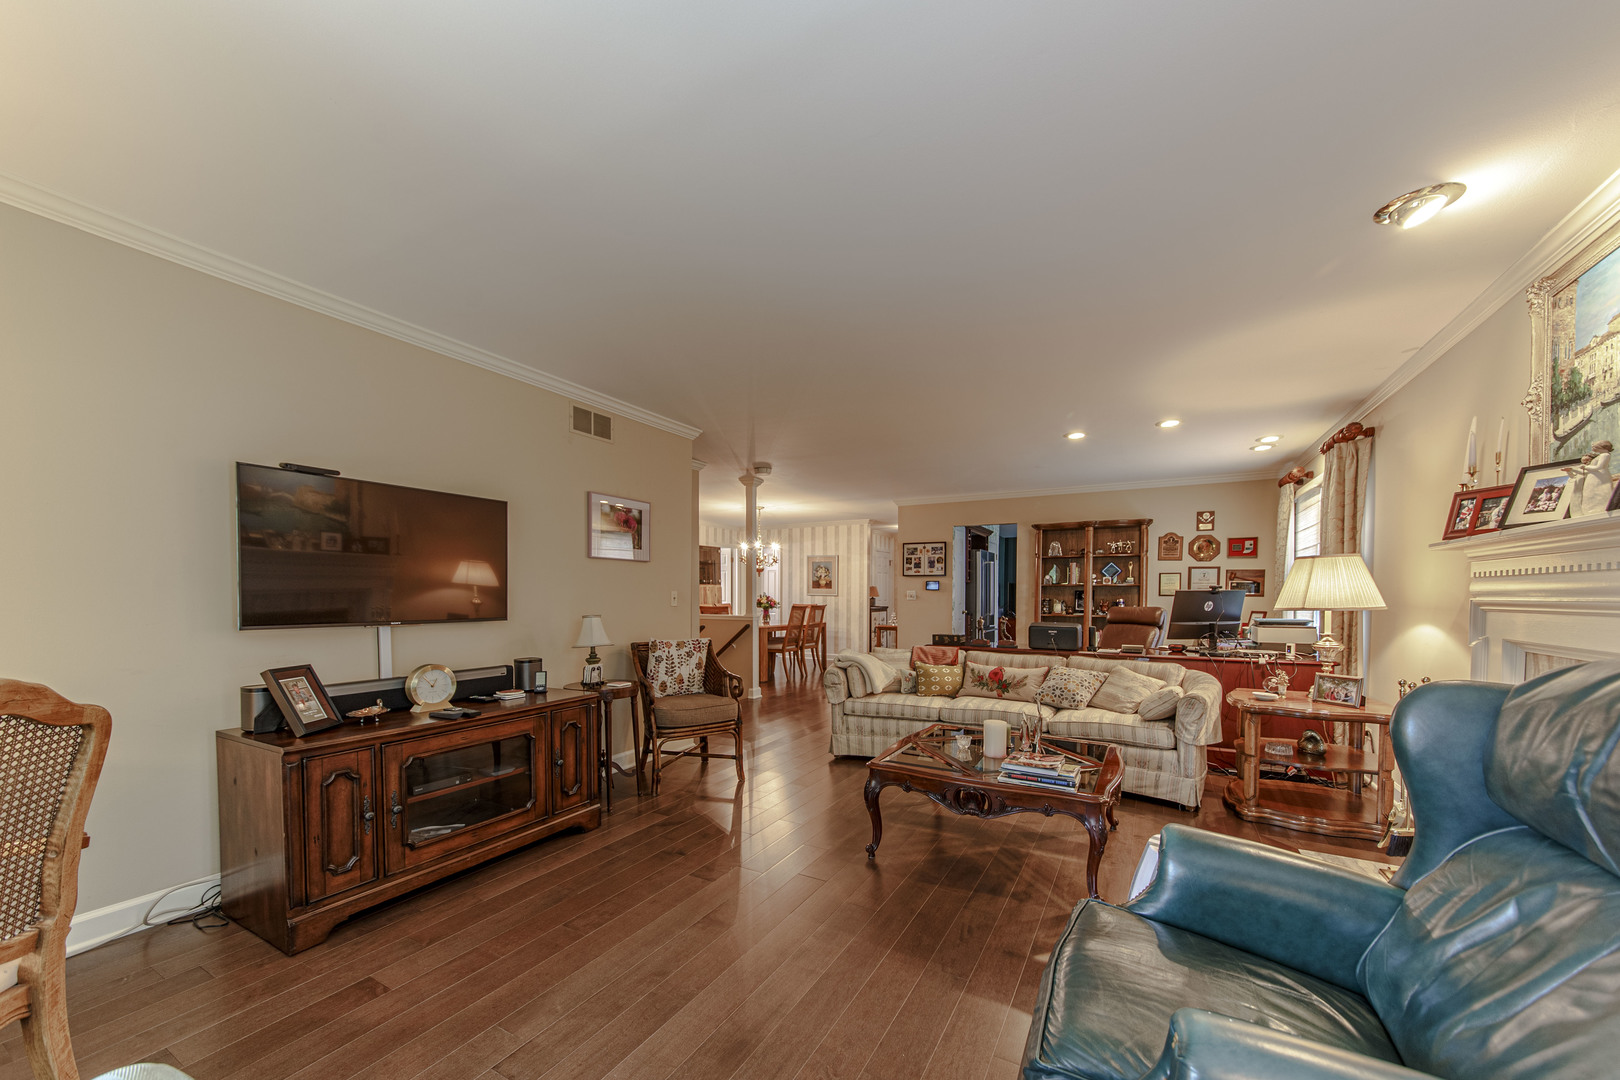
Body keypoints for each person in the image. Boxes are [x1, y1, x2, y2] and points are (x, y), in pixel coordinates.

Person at [1564, 439, 1615, 516]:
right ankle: (1590, 511)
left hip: (1599, 477)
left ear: (1600, 447)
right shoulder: (1601, 456)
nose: (1593, 449)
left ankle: (1600, 509)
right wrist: (1572, 470)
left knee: (1599, 493)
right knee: (1590, 494)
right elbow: (1586, 472)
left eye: (1594, 447)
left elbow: (1599, 467)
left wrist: (1585, 467)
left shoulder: (1605, 455)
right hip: (1594, 477)